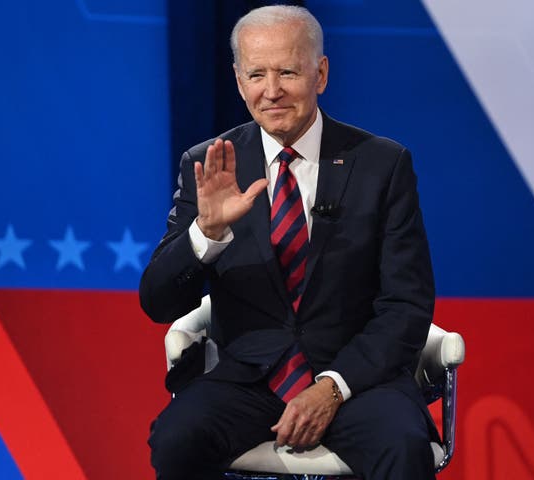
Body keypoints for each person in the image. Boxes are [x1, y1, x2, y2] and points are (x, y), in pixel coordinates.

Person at [140, 5, 438, 479]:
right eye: (256, 74)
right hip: (248, 380)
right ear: (238, 82)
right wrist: (207, 234)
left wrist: (334, 386)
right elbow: (158, 301)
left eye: (288, 72)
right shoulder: (212, 163)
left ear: (320, 74)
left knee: (403, 446)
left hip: (356, 380)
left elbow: (406, 302)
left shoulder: (381, 164)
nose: (272, 91)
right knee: (178, 438)